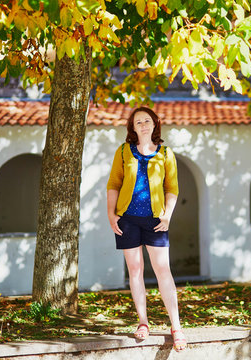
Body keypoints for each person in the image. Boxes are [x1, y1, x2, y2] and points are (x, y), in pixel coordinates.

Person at [106, 106, 187, 352]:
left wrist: (168, 216)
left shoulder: (166, 153)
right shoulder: (123, 152)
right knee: (135, 269)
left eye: (147, 120)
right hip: (127, 219)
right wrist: (111, 215)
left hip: (156, 221)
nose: (143, 124)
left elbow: (172, 187)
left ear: (154, 124)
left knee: (163, 270)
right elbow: (114, 184)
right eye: (138, 121)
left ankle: (177, 327)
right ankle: (143, 322)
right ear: (132, 127)